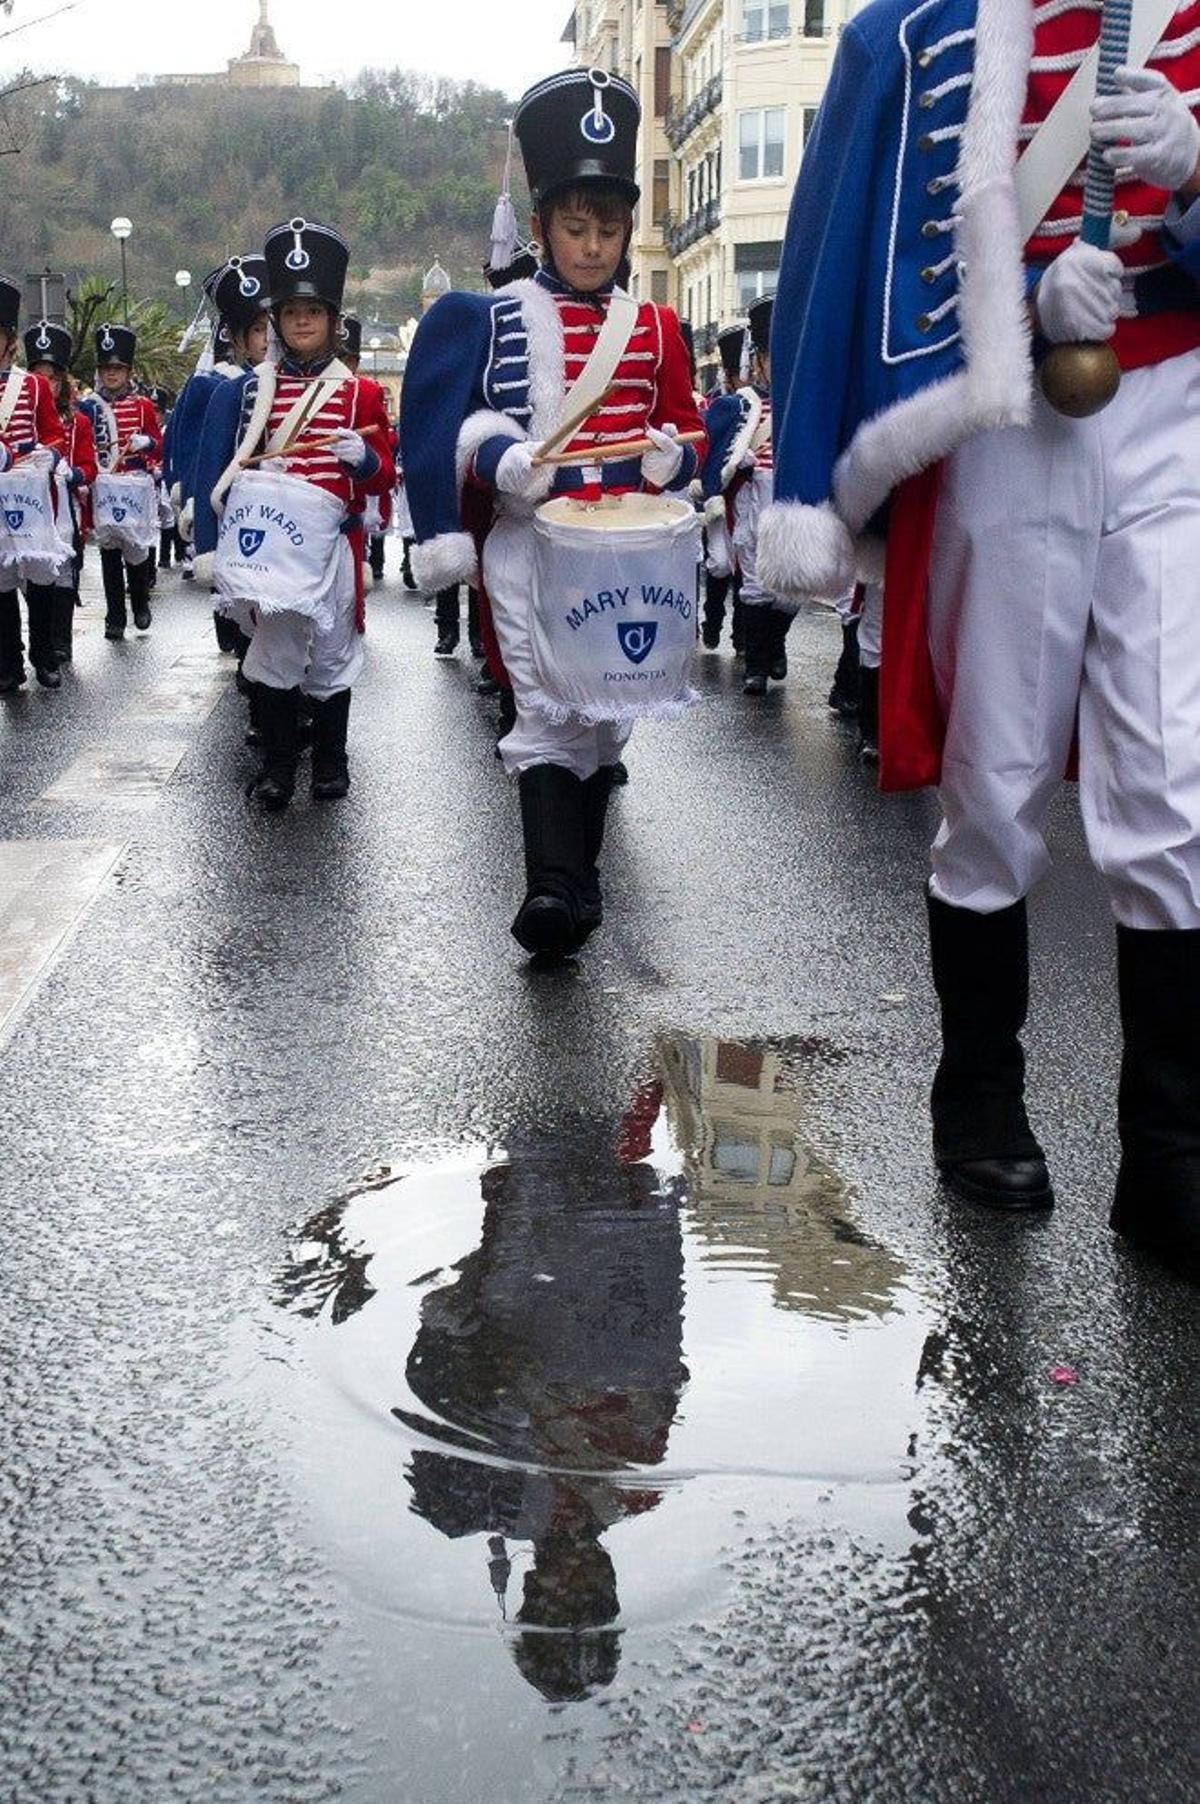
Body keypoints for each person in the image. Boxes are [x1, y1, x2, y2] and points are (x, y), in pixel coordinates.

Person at [760, 0, 1200, 1269]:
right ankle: (981, 1092)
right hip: (1013, 411)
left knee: (1174, 778)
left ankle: (1170, 1150)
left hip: (1178, 401)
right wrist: (1020, 287)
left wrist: (1196, 164)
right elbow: (886, 251)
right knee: (996, 772)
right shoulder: (933, 32)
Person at [402, 67, 704, 958]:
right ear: (541, 228)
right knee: (542, 711)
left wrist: (674, 454)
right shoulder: (498, 319)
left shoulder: (655, 328)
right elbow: (468, 421)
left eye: (609, 230)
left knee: (604, 719)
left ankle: (582, 882)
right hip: (533, 546)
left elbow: (689, 425)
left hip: (627, 557)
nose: (592, 245)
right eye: (575, 228)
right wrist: (506, 460)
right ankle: (550, 891)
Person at [192, 218, 394, 809]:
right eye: (291, 310)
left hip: (333, 547)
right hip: (274, 549)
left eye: (314, 309)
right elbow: (236, 460)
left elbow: (383, 475)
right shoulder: (256, 388)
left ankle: (332, 763)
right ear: (277, 319)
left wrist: (362, 461)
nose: (302, 320)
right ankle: (279, 768)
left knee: (331, 656)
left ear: (332, 318)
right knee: (277, 654)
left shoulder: (360, 393)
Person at [700, 296, 791, 697]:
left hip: (792, 501)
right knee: (751, 578)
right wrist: (737, 464)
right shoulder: (741, 405)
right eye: (771, 356)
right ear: (759, 360)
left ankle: (774, 644)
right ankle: (755, 664)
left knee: (791, 586)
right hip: (752, 499)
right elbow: (707, 445)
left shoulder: (804, 401)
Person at [0, 277, 68, 692]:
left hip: (30, 495)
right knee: (0, 583)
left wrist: (47, 455)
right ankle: (8, 662)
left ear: (9, 339)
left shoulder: (33, 384)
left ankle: (43, 656)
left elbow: (55, 434)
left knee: (40, 576)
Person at [22, 317, 98, 674]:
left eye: (52, 376)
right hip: (24, 508)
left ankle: (59, 642)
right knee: (26, 576)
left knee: (64, 574)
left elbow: (89, 467)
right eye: (39, 374)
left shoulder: (79, 421)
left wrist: (74, 475)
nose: (46, 383)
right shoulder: (18, 411)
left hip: (63, 507)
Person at [92, 324, 162, 641]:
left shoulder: (143, 405)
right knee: (108, 552)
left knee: (135, 548)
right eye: (107, 368)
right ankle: (115, 617)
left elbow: (159, 445)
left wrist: (147, 443)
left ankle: (141, 606)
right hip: (106, 484)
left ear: (128, 371)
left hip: (134, 484)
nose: (112, 374)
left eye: (117, 368)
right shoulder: (90, 407)